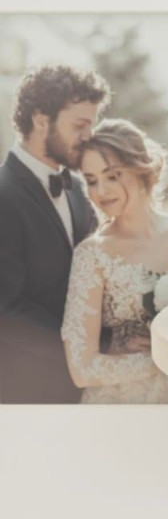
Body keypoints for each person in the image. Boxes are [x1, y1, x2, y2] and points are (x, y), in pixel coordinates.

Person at [61, 119, 168, 406]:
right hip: (126, 401)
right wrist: (161, 360)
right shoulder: (92, 254)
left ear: (140, 169)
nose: (101, 190)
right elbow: (82, 369)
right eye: (91, 180)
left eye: (112, 176)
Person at [0, 64, 107, 402]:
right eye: (79, 125)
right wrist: (87, 347)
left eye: (92, 125)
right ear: (41, 119)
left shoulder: (78, 187)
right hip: (24, 390)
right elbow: (6, 310)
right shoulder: (3, 194)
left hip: (82, 385)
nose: (88, 136)